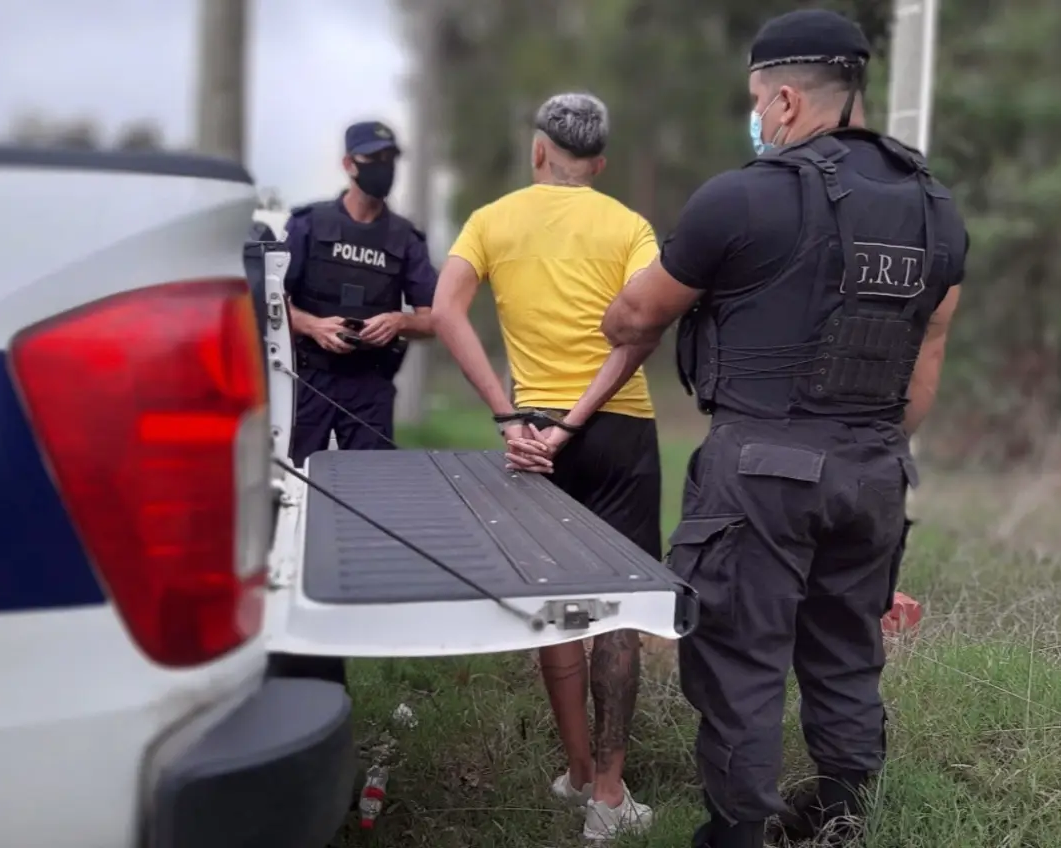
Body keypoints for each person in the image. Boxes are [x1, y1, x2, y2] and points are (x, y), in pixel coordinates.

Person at [596, 11, 969, 848]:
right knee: (846, 655)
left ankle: (740, 834)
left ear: (789, 99)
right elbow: (926, 363)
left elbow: (633, 316)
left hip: (760, 469)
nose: (757, 118)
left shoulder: (742, 198)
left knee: (740, 661)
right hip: (876, 468)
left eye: (759, 103)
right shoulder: (936, 212)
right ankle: (841, 819)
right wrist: (862, 442)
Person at [431, 92, 662, 841]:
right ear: (598, 163)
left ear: (539, 152)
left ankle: (573, 769)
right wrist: (579, 417)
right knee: (619, 609)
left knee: (555, 603)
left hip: (531, 432)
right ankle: (607, 795)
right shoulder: (629, 226)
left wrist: (511, 415)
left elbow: (443, 313)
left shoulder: (491, 221)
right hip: (617, 428)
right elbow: (644, 330)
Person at [283, 120, 437, 467]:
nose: (384, 167)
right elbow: (269, 304)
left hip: (371, 385)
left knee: (372, 490)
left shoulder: (406, 238)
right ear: (348, 164)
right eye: (374, 158)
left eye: (390, 158)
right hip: (309, 380)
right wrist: (313, 327)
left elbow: (435, 320)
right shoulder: (307, 224)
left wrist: (399, 321)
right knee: (297, 484)